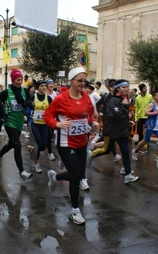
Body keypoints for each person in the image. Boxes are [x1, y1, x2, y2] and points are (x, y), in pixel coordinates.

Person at [44, 67, 100, 225]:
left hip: (82, 140)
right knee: (75, 174)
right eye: (79, 80)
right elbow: (47, 115)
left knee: (79, 174)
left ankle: (55, 177)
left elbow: (88, 115)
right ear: (71, 81)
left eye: (84, 81)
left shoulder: (86, 97)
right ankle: (75, 210)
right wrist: (57, 124)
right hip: (65, 142)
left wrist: (93, 122)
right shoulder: (61, 98)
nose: (83, 83)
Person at [87, 79, 139, 184]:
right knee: (106, 149)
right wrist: (124, 107)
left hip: (121, 131)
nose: (126, 89)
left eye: (127, 87)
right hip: (111, 131)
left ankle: (127, 173)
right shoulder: (112, 100)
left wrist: (128, 122)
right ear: (117, 88)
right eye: (124, 87)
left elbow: (121, 115)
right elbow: (115, 115)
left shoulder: (124, 99)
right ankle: (90, 155)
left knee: (125, 151)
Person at [0, 69, 33, 180]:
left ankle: (0, 154)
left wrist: (28, 103)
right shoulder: (7, 92)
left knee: (12, 144)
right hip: (9, 122)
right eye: (17, 80)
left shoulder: (24, 91)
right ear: (12, 80)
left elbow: (30, 103)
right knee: (17, 145)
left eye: (21, 80)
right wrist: (3, 112)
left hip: (19, 122)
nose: (19, 82)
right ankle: (22, 172)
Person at [132, 89, 158, 162]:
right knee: (145, 141)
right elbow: (146, 113)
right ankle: (135, 151)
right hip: (150, 126)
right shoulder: (151, 104)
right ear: (153, 97)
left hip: (157, 127)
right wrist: (154, 113)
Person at [26, 79, 52, 173]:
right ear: (37, 87)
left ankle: (31, 149)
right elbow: (27, 109)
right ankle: (35, 164)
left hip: (44, 125)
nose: (44, 87)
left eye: (45, 86)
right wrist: (28, 118)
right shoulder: (33, 97)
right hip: (34, 123)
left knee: (43, 146)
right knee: (38, 143)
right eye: (42, 86)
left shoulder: (48, 99)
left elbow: (51, 111)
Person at [45, 79, 58, 161]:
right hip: (44, 117)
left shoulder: (55, 94)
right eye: (50, 84)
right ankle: (50, 152)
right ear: (47, 85)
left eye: (52, 83)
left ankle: (49, 152)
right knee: (47, 136)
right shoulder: (44, 94)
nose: (51, 85)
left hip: (52, 117)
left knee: (49, 136)